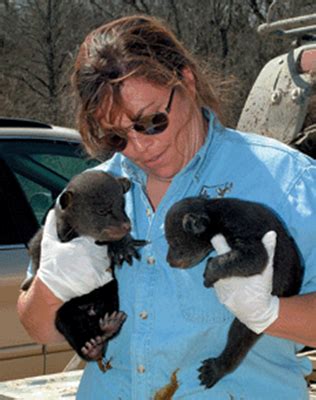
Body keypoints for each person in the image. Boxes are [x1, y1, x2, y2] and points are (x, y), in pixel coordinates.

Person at [17, 15, 316, 400]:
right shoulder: (93, 194)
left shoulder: (285, 180)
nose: (140, 147)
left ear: (186, 82)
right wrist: (52, 286)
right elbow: (37, 327)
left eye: (151, 121)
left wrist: (271, 313)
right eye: (115, 136)